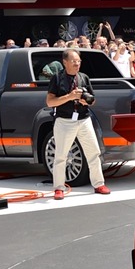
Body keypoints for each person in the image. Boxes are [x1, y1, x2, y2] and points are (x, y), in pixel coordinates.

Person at [45, 49, 110, 200]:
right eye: (74, 61)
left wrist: (86, 100)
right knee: (61, 156)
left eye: (79, 61)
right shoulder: (57, 78)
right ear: (65, 62)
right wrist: (69, 97)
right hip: (64, 120)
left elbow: (93, 100)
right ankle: (59, 187)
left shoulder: (84, 77)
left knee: (93, 152)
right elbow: (50, 102)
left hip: (83, 119)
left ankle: (99, 184)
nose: (77, 64)